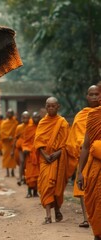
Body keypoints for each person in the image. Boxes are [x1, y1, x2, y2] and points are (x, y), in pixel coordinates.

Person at [66, 85, 99, 228]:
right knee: (83, 188)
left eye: (96, 94)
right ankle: (87, 218)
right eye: (90, 94)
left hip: (98, 156)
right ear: (86, 96)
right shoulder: (82, 115)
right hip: (85, 156)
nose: (93, 97)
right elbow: (75, 138)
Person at [34, 97, 69, 224]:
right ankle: (48, 215)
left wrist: (58, 153)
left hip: (59, 158)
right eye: (48, 106)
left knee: (57, 186)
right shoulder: (42, 123)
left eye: (53, 106)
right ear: (45, 106)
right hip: (46, 160)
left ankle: (57, 210)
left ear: (58, 106)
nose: (50, 108)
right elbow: (38, 142)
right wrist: (45, 155)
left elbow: (67, 143)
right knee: (46, 186)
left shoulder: (63, 123)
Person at [77, 90, 101, 240]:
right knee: (95, 200)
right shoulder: (93, 116)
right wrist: (80, 172)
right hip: (95, 167)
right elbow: (86, 146)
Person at [21, 112, 41, 198]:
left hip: (39, 154)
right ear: (32, 118)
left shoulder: (42, 127)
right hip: (30, 154)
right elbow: (25, 141)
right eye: (34, 117)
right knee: (29, 174)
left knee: (37, 174)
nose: (36, 119)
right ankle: (29, 191)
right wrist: (26, 149)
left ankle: (35, 192)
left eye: (38, 117)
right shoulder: (28, 128)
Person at [13, 111, 30, 185]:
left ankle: (27, 177)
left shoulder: (31, 127)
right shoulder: (19, 127)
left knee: (29, 163)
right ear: (21, 118)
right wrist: (12, 150)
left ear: (29, 118)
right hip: (20, 148)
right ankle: (20, 177)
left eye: (26, 117)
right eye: (23, 117)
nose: (25, 119)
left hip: (29, 148)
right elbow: (15, 138)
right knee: (22, 161)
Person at [0, 109, 18, 177]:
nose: (9, 114)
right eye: (8, 113)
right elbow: (2, 132)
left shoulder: (15, 122)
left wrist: (13, 137)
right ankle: (7, 172)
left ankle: (12, 171)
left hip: (13, 142)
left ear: (12, 114)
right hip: (6, 143)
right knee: (6, 156)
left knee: (13, 157)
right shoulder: (4, 123)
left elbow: (17, 132)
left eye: (11, 113)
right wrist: (7, 137)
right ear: (7, 114)